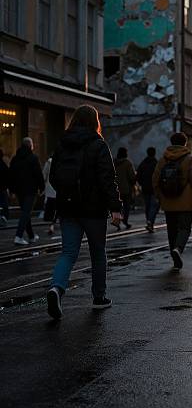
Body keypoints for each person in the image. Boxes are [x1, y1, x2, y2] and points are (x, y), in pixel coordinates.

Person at [47, 105, 122, 320]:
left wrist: (67, 193)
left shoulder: (62, 144)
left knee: (68, 253)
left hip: (68, 208)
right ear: (94, 122)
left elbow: (54, 177)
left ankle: (56, 288)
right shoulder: (98, 145)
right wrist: (115, 207)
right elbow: (108, 178)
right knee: (98, 253)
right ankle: (99, 298)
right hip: (94, 210)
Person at [152, 132, 192, 271]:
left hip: (168, 201)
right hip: (185, 202)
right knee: (185, 228)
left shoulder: (163, 159)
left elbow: (155, 179)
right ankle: (178, 249)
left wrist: (159, 196)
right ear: (185, 143)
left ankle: (174, 259)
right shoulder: (189, 159)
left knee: (172, 230)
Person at [8, 137, 44, 246]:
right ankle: (18, 236)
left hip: (19, 190)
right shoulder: (33, 158)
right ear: (30, 145)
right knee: (26, 212)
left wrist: (11, 189)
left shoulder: (15, 158)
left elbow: (11, 175)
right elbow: (38, 174)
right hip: (30, 190)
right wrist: (41, 188)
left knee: (25, 211)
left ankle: (31, 236)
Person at [137, 147, 159, 232]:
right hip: (153, 188)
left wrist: (141, 183)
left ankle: (149, 221)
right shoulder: (156, 163)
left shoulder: (143, 163)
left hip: (145, 188)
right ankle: (150, 221)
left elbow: (138, 174)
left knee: (147, 206)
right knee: (153, 206)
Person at [115, 147, 136, 229]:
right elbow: (132, 176)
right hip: (126, 189)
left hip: (116, 189)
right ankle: (125, 220)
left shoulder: (114, 162)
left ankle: (117, 222)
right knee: (126, 206)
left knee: (117, 207)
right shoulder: (127, 163)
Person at [42, 155, 58, 235]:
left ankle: (51, 225)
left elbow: (44, 175)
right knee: (56, 208)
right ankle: (52, 224)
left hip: (50, 189)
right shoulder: (62, 160)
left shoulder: (49, 162)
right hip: (59, 189)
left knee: (51, 208)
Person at [0, 149, 9, 225]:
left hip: (3, 188)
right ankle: (4, 217)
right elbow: (7, 176)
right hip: (3, 188)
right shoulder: (3, 165)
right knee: (4, 204)